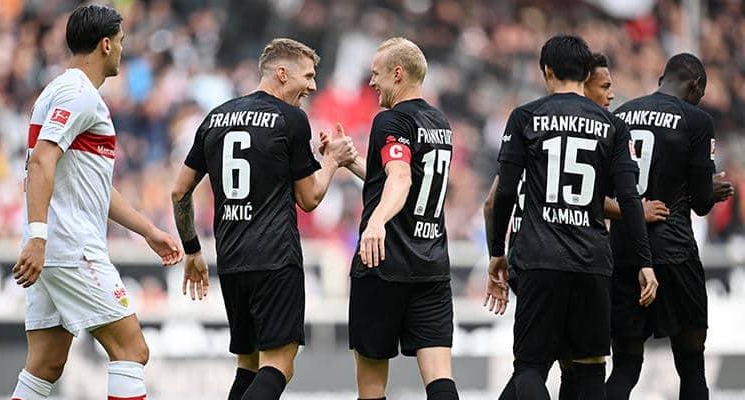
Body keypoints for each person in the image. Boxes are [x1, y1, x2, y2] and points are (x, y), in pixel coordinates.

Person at [11, 5, 183, 400]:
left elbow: (93, 186)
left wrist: (148, 231)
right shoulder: (80, 95)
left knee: (46, 363)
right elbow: (41, 161)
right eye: (121, 42)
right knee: (132, 350)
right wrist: (38, 237)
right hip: (69, 245)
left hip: (53, 246)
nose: (122, 50)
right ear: (106, 45)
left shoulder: (56, 91)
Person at [170, 38, 356, 400]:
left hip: (232, 259)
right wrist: (332, 160)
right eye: (308, 76)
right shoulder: (291, 119)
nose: (313, 86)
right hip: (275, 258)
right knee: (279, 365)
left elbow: (179, 192)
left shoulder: (215, 117)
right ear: (282, 73)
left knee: (248, 364)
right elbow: (309, 199)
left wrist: (192, 250)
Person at [483, 50, 668, 400]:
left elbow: (502, 193)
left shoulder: (525, 117)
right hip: (592, 262)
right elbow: (630, 199)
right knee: (588, 369)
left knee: (530, 367)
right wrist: (645, 262)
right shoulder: (613, 126)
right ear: (585, 74)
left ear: (546, 70)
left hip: (538, 258)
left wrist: (497, 253)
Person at [324, 37, 460, 400]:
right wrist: (350, 161)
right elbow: (396, 178)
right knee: (440, 380)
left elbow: (400, 178)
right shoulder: (439, 122)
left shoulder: (391, 119)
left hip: (383, 264)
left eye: (376, 73)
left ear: (397, 73)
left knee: (371, 387)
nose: (371, 82)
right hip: (430, 266)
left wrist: (376, 222)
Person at [605, 53, 734, 400]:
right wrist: (710, 190)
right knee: (691, 366)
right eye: (701, 93)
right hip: (674, 252)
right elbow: (702, 204)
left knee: (624, 368)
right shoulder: (697, 120)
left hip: (625, 253)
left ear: (663, 79)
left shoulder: (621, 115)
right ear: (696, 85)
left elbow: (606, 192)